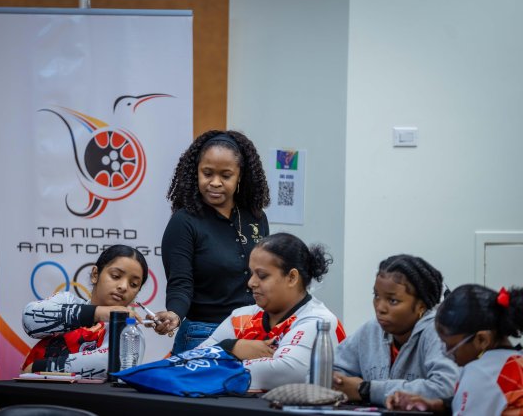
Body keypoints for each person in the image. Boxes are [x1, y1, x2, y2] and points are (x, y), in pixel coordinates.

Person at [153, 130, 270, 354]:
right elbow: (181, 283)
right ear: (196, 172)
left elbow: (265, 276)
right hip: (203, 334)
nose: (215, 182)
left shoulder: (256, 218)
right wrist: (174, 314)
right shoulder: (184, 222)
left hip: (251, 332)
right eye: (207, 173)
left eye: (225, 175)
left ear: (240, 176)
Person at [197, 233, 345, 391]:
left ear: (292, 277)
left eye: (262, 276)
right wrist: (232, 347)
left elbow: (286, 372)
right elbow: (191, 361)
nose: (251, 282)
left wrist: (220, 359)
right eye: (251, 273)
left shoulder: (319, 321)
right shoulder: (241, 317)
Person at [332, 254, 459, 405]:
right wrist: (337, 381)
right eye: (376, 296)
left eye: (393, 300)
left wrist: (367, 390)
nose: (380, 308)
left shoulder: (437, 333)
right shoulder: (371, 330)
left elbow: (446, 388)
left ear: (421, 306)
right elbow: (329, 370)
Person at [386, 284, 523, 415]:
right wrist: (435, 405)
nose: (447, 353)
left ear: (482, 340)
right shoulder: (513, 361)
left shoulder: (480, 372)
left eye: (451, 346)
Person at [20, 245, 149, 379]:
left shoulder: (129, 331)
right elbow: (29, 319)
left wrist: (40, 368)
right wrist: (98, 313)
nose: (123, 286)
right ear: (95, 274)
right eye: (116, 276)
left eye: (133, 284)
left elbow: (111, 362)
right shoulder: (67, 301)